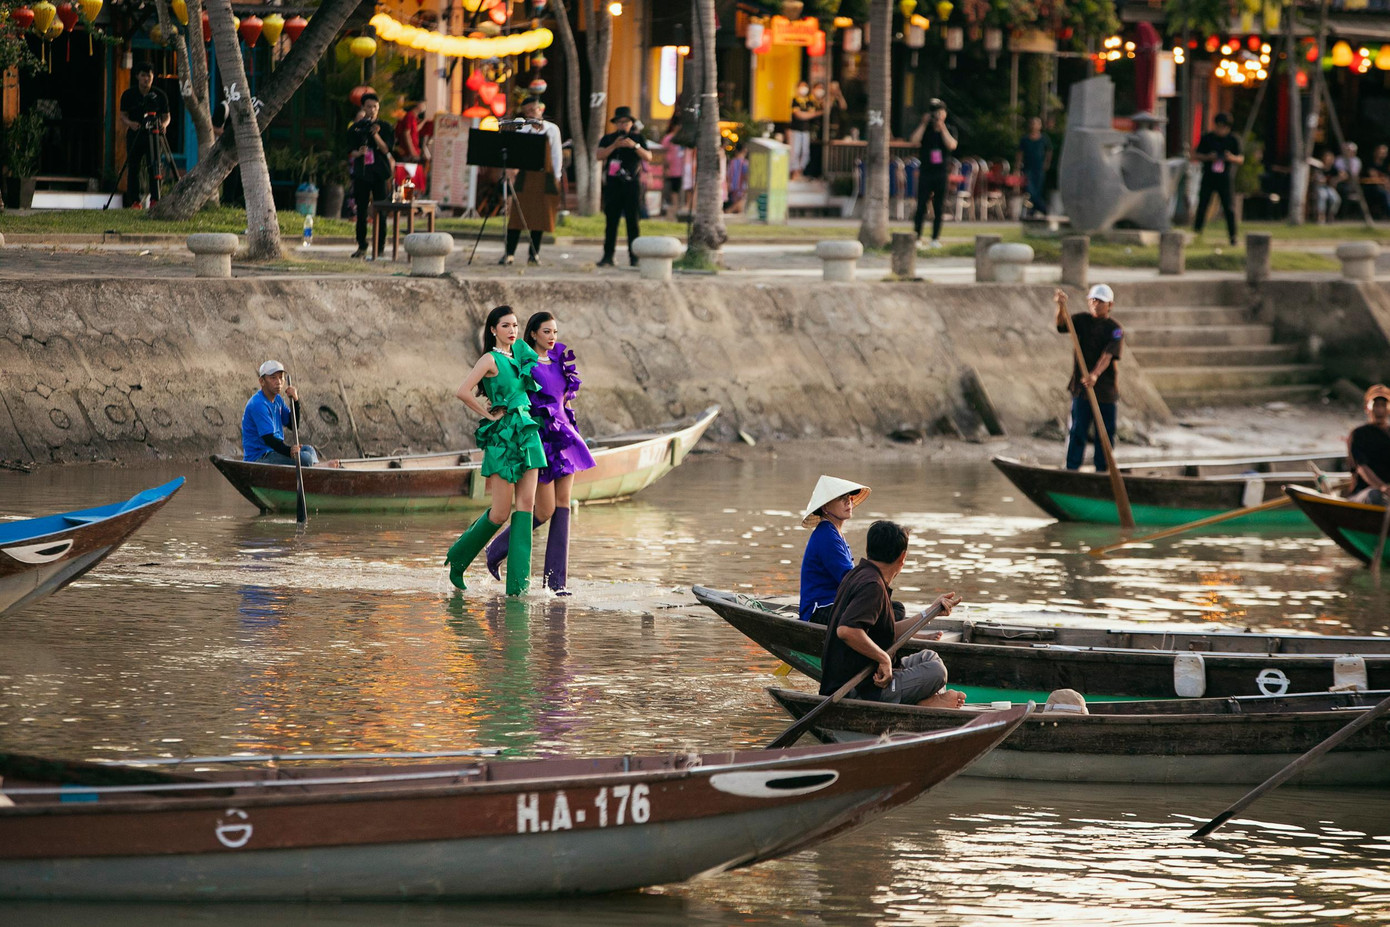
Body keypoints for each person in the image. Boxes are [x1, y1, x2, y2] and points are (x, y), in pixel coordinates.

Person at [484, 312, 598, 594]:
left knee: (563, 504)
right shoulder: (525, 363)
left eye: (555, 332)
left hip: (565, 436)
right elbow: (515, 394)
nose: (552, 337)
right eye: (546, 332)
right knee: (543, 510)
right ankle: (496, 549)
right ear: (533, 334)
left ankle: (556, 584)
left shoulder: (560, 361)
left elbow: (566, 399)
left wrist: (571, 424)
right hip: (539, 438)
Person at [445, 306, 549, 595]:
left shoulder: (520, 354)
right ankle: (458, 559)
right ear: (493, 329)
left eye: (515, 325)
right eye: (506, 325)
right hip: (503, 437)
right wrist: (489, 414)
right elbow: (463, 390)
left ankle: (518, 585)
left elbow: (545, 360)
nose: (513, 330)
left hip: (527, 433)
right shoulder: (489, 358)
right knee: (501, 512)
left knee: (526, 507)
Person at [818, 520, 965, 708]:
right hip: (858, 688)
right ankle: (927, 703)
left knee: (929, 657)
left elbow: (887, 632)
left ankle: (930, 700)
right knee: (936, 672)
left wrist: (930, 612)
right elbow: (847, 631)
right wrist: (883, 658)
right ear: (902, 557)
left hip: (866, 676)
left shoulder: (860, 574)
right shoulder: (872, 586)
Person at [1056, 285, 1124, 472]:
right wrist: (1061, 307)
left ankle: (1103, 470)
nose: (1095, 304)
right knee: (1078, 430)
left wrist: (1094, 374)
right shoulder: (1081, 320)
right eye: (1093, 300)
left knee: (1105, 433)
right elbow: (1062, 326)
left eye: (1100, 301)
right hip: (1081, 389)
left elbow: (1108, 355)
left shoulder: (1115, 330)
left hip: (1105, 391)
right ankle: (1072, 468)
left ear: (1110, 305)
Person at [500, 96, 563, 266]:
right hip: (524, 177)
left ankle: (533, 254)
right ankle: (509, 253)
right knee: (516, 217)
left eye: (533, 110)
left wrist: (556, 178)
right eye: (527, 111)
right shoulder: (522, 129)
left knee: (539, 217)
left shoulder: (552, 129)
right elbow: (515, 154)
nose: (531, 113)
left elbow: (557, 154)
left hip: (545, 177)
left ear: (540, 109)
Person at [799, 475, 870, 623]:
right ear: (825, 507)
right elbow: (848, 578)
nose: (848, 502)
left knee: (893, 609)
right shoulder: (826, 535)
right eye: (841, 498)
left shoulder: (834, 533)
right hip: (819, 610)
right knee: (882, 611)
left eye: (849, 498)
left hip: (835, 605)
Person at [595, 106, 651, 268]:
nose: (622, 125)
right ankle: (608, 256)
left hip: (632, 185)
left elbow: (648, 157)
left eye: (625, 122)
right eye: (619, 122)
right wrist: (614, 146)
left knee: (633, 222)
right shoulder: (608, 139)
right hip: (613, 185)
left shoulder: (638, 138)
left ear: (631, 123)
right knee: (611, 222)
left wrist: (634, 146)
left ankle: (634, 257)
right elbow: (599, 155)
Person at [241, 360, 321, 467]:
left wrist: (296, 402)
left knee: (308, 449)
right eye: (273, 378)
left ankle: (316, 468)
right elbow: (269, 439)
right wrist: (289, 451)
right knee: (305, 459)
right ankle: (319, 467)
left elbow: (293, 425)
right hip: (260, 457)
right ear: (262, 381)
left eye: (281, 377)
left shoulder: (277, 400)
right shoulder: (258, 404)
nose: (278, 382)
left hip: (274, 452)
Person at [346, 92, 395, 259]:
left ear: (378, 108)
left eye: (375, 107)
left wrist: (376, 134)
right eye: (369, 107)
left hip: (379, 173)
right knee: (361, 211)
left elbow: (386, 149)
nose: (372, 110)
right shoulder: (356, 128)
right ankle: (362, 245)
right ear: (363, 108)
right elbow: (349, 151)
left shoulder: (385, 127)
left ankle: (380, 246)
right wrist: (358, 153)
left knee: (381, 210)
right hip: (362, 173)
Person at [118, 63, 171, 207]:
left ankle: (155, 199)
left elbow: (167, 116)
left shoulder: (160, 95)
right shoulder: (129, 95)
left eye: (149, 75)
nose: (146, 79)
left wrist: (162, 125)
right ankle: (134, 201)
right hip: (136, 133)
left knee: (154, 166)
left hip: (154, 134)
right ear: (137, 76)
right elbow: (122, 114)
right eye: (143, 75)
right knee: (133, 167)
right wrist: (130, 123)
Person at [909, 99, 957, 249]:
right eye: (933, 112)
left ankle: (935, 238)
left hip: (941, 173)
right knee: (921, 205)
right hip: (926, 172)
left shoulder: (949, 128)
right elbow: (914, 141)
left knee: (939, 206)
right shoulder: (926, 129)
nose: (936, 115)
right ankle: (917, 236)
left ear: (945, 113)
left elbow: (952, 145)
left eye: (939, 112)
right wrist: (923, 124)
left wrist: (941, 127)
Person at [1192, 113, 1243, 246]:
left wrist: (1230, 157)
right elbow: (1196, 154)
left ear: (1228, 127)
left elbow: (1240, 159)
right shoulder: (1208, 138)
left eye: (1223, 127)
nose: (1220, 129)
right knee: (1203, 205)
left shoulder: (1233, 140)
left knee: (1229, 208)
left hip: (1225, 178)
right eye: (1218, 126)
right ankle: (1196, 234)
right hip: (1209, 176)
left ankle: (1233, 237)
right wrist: (1209, 157)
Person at [1347, 385, 1390, 505]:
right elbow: (1361, 467)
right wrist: (1382, 487)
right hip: (1365, 492)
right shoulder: (1359, 434)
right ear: (1368, 408)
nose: (1380, 409)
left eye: (1383, 405)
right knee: (1375, 495)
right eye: (1376, 405)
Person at [1016, 116, 1052, 217]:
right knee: (1030, 189)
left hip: (1039, 168)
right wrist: (1018, 165)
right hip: (1028, 168)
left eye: (1036, 124)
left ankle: (1035, 209)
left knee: (1038, 189)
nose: (1033, 126)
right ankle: (1042, 208)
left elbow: (1049, 151)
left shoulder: (1044, 138)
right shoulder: (1025, 139)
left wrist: (1046, 163)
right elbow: (1020, 153)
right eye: (1032, 123)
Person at [789, 81, 820, 180]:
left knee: (805, 152)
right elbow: (800, 115)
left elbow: (811, 113)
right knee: (795, 151)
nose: (803, 89)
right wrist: (812, 114)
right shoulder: (795, 100)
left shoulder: (809, 101)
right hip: (795, 130)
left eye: (805, 86)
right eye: (801, 86)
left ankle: (800, 171)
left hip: (806, 131)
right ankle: (793, 172)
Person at [660, 115, 687, 219]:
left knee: (679, 190)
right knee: (673, 190)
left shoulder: (683, 139)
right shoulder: (668, 138)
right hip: (672, 169)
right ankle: (674, 209)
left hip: (681, 169)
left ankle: (677, 208)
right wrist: (665, 167)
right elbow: (663, 153)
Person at [1312, 149, 1343, 223]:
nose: (1328, 160)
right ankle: (1321, 216)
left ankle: (1331, 215)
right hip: (1319, 187)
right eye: (1327, 158)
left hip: (1329, 187)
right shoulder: (1319, 167)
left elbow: (1344, 175)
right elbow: (1314, 178)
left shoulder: (1334, 168)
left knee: (1336, 199)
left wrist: (1336, 180)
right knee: (1323, 196)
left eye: (1330, 159)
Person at [1364, 143, 1390, 218]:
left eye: (1384, 152)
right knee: (1385, 194)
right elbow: (1374, 177)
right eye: (1380, 152)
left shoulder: (1386, 164)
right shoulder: (1370, 163)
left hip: (1385, 186)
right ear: (1376, 152)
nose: (1382, 154)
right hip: (1371, 187)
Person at [725, 142, 749, 214]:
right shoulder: (745, 163)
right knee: (740, 204)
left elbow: (728, 175)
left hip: (732, 187)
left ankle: (730, 211)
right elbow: (746, 176)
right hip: (741, 188)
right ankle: (728, 211)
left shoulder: (731, 162)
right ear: (744, 150)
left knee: (737, 204)